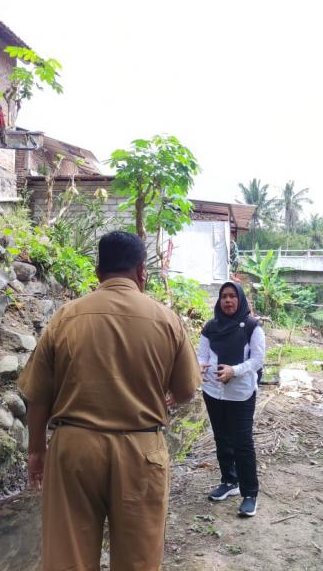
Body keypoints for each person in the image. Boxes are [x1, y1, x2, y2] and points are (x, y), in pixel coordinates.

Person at [17, 231, 201, 571]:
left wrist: (36, 451)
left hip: (74, 449)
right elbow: (187, 391)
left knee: (67, 558)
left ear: (98, 271)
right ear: (142, 271)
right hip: (141, 451)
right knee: (138, 560)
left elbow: (38, 394)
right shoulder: (166, 320)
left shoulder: (65, 317)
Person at [198, 282, 265, 517]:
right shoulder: (211, 327)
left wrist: (233, 371)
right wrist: (200, 366)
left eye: (232, 296)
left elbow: (257, 360)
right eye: (224, 296)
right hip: (213, 391)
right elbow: (202, 355)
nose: (227, 300)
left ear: (240, 299)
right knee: (221, 438)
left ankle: (250, 493)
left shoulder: (252, 327)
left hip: (240, 394)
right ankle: (229, 481)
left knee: (242, 443)